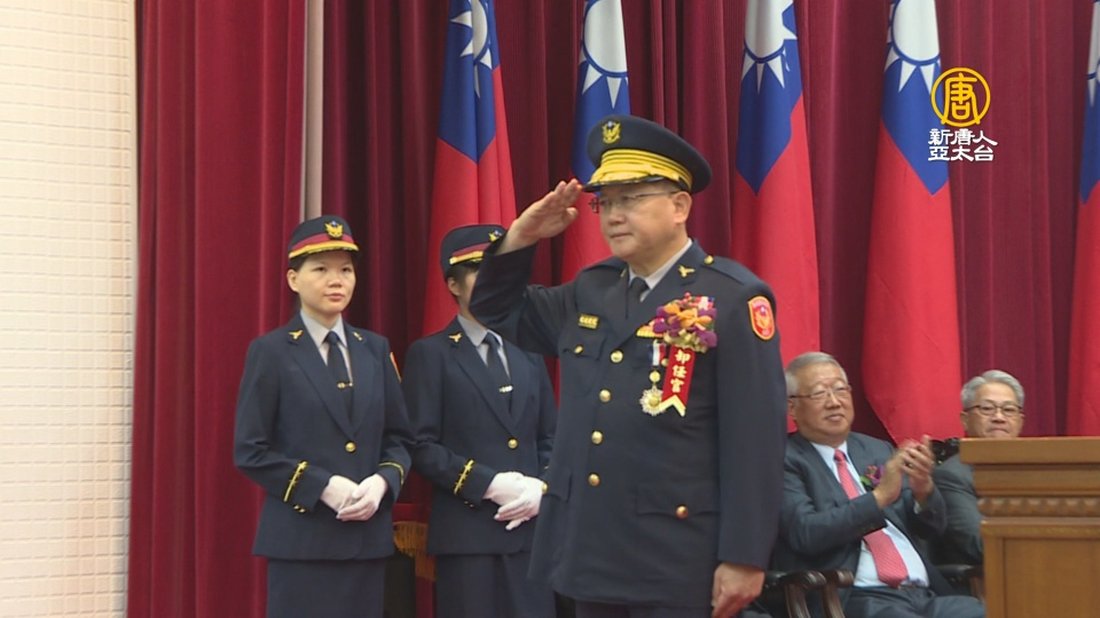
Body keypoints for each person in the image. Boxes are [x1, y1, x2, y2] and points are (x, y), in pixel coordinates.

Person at [470, 114, 788, 617]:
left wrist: (745, 555)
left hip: (676, 553)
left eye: (632, 198)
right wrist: (519, 238)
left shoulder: (732, 298)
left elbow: (755, 440)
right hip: (590, 548)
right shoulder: (592, 288)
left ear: (680, 206)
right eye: (606, 202)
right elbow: (495, 309)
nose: (614, 215)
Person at [234, 215, 413, 618]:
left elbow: (400, 438)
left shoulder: (374, 349)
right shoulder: (272, 352)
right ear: (293, 279)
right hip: (302, 542)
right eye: (321, 270)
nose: (337, 281)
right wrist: (322, 486)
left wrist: (383, 483)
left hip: (367, 540)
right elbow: (251, 450)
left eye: (346, 270)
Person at [402, 224, 557, 618]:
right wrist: (487, 484)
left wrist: (542, 486)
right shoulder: (431, 354)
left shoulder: (529, 349)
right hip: (468, 537)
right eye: (477, 270)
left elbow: (550, 436)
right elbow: (420, 445)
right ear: (453, 284)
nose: (491, 280)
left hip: (531, 534)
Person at [774, 351, 985, 618]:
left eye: (840, 389)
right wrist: (879, 498)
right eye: (819, 393)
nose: (834, 402)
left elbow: (931, 529)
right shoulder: (783, 459)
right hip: (853, 597)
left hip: (924, 593)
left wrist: (923, 491)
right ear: (792, 407)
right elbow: (806, 533)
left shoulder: (876, 450)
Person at [933, 370, 1025, 565]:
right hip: (998, 573)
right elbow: (980, 544)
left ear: (1020, 421)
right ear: (965, 419)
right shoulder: (951, 476)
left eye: (1009, 410)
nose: (999, 417)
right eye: (987, 408)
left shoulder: (1038, 471)